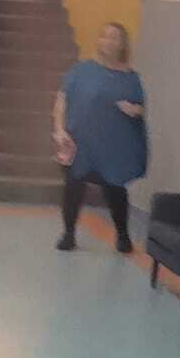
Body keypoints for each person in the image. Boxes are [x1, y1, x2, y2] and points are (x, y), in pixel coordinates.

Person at [52, 22, 148, 252]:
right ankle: (68, 234)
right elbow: (62, 100)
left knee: (115, 188)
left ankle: (122, 235)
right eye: (104, 36)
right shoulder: (81, 70)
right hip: (80, 142)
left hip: (112, 145)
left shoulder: (131, 77)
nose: (108, 41)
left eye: (115, 37)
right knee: (73, 185)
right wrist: (59, 129)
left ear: (123, 44)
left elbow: (141, 108)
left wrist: (134, 110)